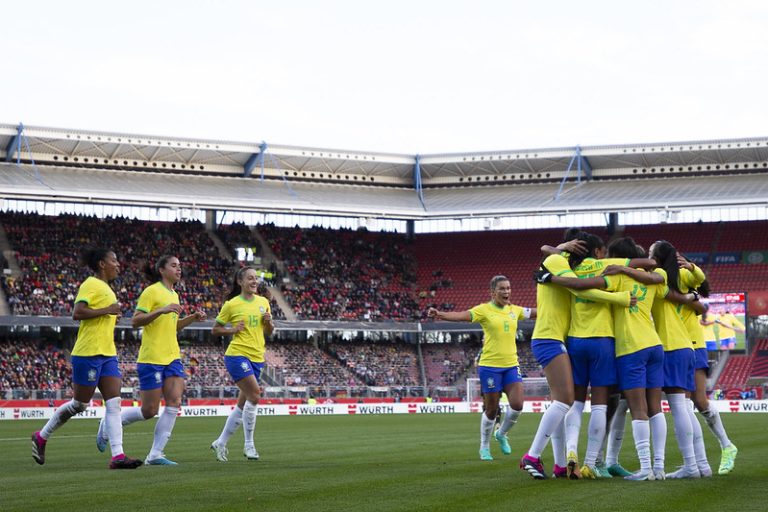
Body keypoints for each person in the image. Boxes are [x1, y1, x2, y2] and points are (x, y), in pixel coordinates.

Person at [522, 237, 635, 480]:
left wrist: (558, 249)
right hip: (552, 338)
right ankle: (533, 455)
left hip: (566, 338)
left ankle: (561, 464)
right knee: (566, 401)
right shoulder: (556, 262)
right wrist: (620, 298)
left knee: (563, 403)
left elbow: (548, 251)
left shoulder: (561, 262)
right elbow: (575, 285)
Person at [32, 247, 142, 469]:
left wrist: (111, 314)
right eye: (114, 260)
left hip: (107, 353)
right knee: (80, 404)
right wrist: (107, 310)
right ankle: (41, 436)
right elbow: (77, 313)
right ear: (102, 264)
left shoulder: (106, 288)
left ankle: (118, 456)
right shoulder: (91, 284)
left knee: (114, 403)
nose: (118, 264)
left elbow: (102, 315)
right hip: (88, 352)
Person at [97, 255, 206, 465]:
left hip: (172, 356)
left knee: (174, 402)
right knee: (150, 411)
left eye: (180, 265)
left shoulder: (174, 294)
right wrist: (161, 310)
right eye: (174, 265)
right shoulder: (152, 291)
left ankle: (155, 454)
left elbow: (172, 327)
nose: (178, 269)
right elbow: (135, 321)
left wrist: (191, 318)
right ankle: (109, 423)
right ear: (162, 270)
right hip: (152, 357)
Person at [428, 275, 535, 461]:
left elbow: (536, 311)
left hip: (511, 365)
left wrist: (556, 307)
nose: (507, 292)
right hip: (490, 367)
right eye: (502, 289)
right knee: (491, 410)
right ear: (493, 292)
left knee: (517, 405)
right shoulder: (484, 310)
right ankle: (484, 447)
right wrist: (440, 314)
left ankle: (501, 434)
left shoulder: (515, 310)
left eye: (508, 288)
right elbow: (462, 316)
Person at [673, 250, 738, 475]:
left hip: (692, 345)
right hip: (679, 346)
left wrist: (689, 270)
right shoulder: (670, 284)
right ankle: (698, 463)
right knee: (690, 402)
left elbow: (701, 302)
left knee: (695, 401)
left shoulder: (687, 288)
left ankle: (724, 447)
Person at [210, 267, 274, 462]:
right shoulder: (232, 305)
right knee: (255, 394)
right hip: (237, 355)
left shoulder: (264, 302)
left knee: (242, 403)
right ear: (240, 282)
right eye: (250, 278)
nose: (254, 281)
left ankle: (220, 442)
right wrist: (232, 330)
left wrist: (269, 322)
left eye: (256, 278)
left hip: (257, 357)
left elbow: (269, 332)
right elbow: (215, 330)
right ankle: (249, 445)